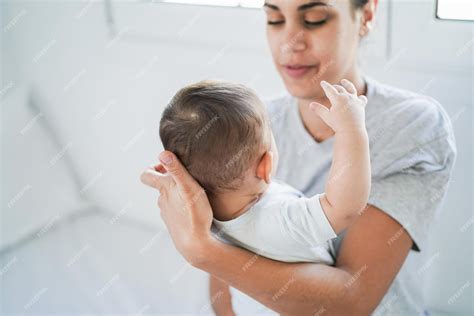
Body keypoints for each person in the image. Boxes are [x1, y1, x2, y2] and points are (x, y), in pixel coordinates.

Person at [141, 0, 456, 314]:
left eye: (315, 19)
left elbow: (350, 302)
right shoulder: (248, 128)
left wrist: (201, 251)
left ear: (367, 14)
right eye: (275, 19)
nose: (290, 43)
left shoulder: (412, 124)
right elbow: (226, 282)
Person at [158, 79, 369, 265]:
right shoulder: (279, 220)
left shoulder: (204, 217)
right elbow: (343, 208)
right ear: (265, 166)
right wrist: (351, 129)